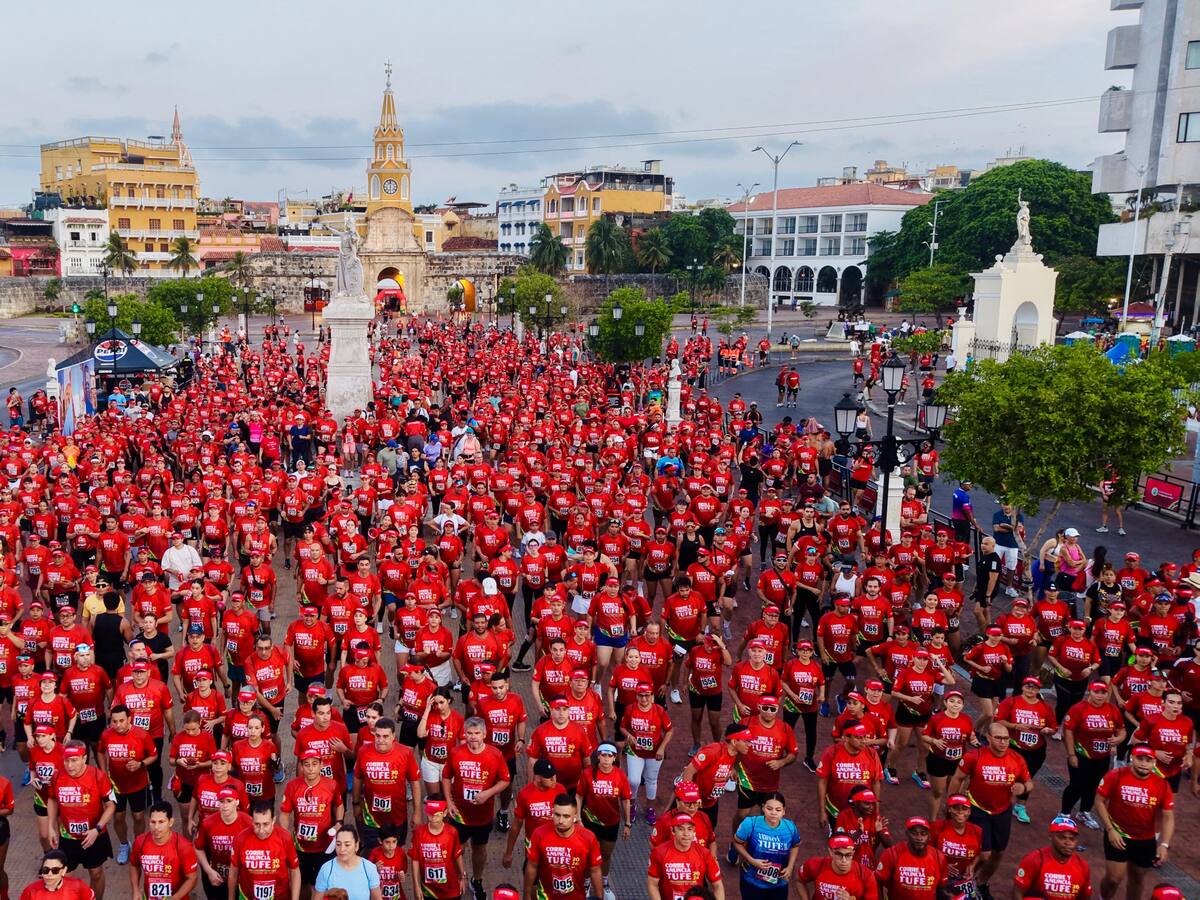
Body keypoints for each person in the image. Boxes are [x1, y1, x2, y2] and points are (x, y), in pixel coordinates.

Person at [947, 724, 1033, 900]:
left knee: (998, 852)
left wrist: (1023, 787)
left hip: (1002, 811)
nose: (1003, 742)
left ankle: (981, 883)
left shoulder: (1017, 759)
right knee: (983, 853)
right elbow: (958, 778)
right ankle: (963, 883)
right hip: (977, 809)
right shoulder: (974, 756)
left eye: (1006, 738)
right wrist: (951, 804)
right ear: (988, 737)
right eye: (999, 738)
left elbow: (1030, 783)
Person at [1094, 743, 1175, 900]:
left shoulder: (1162, 784)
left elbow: (1168, 816)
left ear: (1154, 763)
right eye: (1140, 759)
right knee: (1113, 879)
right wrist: (1110, 830)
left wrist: (1164, 844)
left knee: (1137, 879)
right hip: (1118, 835)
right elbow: (1099, 802)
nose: (1144, 763)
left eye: (1148, 760)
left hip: (1145, 840)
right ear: (1131, 758)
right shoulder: (1115, 775)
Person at [45, 742, 115, 900]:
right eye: (67, 760)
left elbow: (110, 806)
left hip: (94, 835)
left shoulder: (98, 776)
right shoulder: (57, 776)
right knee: (65, 875)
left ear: (84, 758)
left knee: (96, 873)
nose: (70, 765)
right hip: (68, 836)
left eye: (75, 760)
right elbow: (52, 800)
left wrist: (96, 829)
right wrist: (50, 826)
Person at [525, 795, 603, 900]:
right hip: (545, 897)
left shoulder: (588, 838)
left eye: (566, 816)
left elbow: (595, 870)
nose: (561, 821)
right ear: (552, 813)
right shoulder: (539, 834)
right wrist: (527, 894)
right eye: (557, 815)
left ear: (575, 816)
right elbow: (532, 866)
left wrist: (599, 897)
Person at [730, 792, 799, 900]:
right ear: (763, 808)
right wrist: (752, 860)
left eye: (778, 810)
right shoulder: (750, 824)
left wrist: (790, 867)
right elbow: (737, 843)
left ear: (784, 811)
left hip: (779, 883)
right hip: (751, 881)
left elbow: (795, 845)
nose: (773, 813)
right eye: (769, 808)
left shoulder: (790, 827)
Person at [229, 800, 300, 900]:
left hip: (280, 897)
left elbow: (295, 871)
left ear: (273, 820)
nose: (261, 830)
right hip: (247, 896)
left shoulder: (285, 838)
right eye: (256, 824)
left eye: (266, 824)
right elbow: (233, 872)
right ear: (252, 821)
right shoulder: (240, 839)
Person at [128, 801, 198, 900]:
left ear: (170, 822)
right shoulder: (140, 842)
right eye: (153, 822)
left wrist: (175, 898)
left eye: (161, 822)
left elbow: (192, 878)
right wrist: (135, 890)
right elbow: (134, 865)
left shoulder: (183, 846)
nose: (156, 827)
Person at [646, 811, 723, 900]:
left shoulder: (704, 853)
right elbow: (652, 883)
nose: (686, 834)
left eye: (689, 829)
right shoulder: (659, 852)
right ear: (673, 831)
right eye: (681, 829)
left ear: (694, 831)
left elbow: (717, 884)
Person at [1012, 815, 1093, 900]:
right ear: (1050, 836)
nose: (1068, 842)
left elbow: (1086, 897)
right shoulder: (1034, 860)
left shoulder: (1083, 866)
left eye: (1072, 839)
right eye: (1062, 837)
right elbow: (1018, 892)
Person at [193, 787, 251, 900]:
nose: (225, 806)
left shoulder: (248, 822)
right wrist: (208, 871)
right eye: (221, 802)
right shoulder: (208, 823)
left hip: (241, 879)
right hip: (218, 877)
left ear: (237, 802)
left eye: (229, 801)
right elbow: (198, 847)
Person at [874, 817, 950, 900]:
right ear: (907, 834)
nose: (919, 838)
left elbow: (942, 887)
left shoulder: (939, 858)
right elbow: (877, 881)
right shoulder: (892, 854)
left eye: (923, 833)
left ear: (929, 836)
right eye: (914, 833)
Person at [407, 798, 464, 900]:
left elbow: (457, 855)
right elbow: (415, 860)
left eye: (437, 814)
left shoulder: (452, 832)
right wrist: (416, 886)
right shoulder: (419, 833)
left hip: (451, 889)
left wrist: (462, 876)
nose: (433, 817)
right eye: (430, 813)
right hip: (429, 891)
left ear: (444, 813)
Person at [793, 834, 878, 900]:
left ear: (853, 853)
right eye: (839, 854)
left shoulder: (866, 876)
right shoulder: (815, 865)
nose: (844, 860)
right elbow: (799, 880)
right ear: (831, 852)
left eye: (848, 855)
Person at [314, 826, 381, 900]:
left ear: (356, 845)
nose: (342, 849)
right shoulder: (326, 869)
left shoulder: (369, 868)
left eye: (347, 845)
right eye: (338, 844)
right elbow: (318, 897)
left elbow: (377, 898)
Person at [19, 851, 95, 900]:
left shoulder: (78, 886)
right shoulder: (30, 891)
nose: (49, 874)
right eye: (45, 870)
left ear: (64, 871)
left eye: (55, 870)